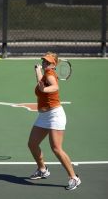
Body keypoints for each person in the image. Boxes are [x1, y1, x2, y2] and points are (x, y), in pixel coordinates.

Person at [28, 52, 81, 190]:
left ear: (54, 64)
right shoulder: (45, 73)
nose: (45, 63)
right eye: (44, 61)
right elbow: (40, 83)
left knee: (56, 148)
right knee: (32, 144)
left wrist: (45, 89)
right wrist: (37, 70)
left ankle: (74, 178)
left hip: (55, 115)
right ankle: (42, 170)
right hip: (44, 116)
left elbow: (55, 87)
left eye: (48, 62)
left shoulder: (50, 74)